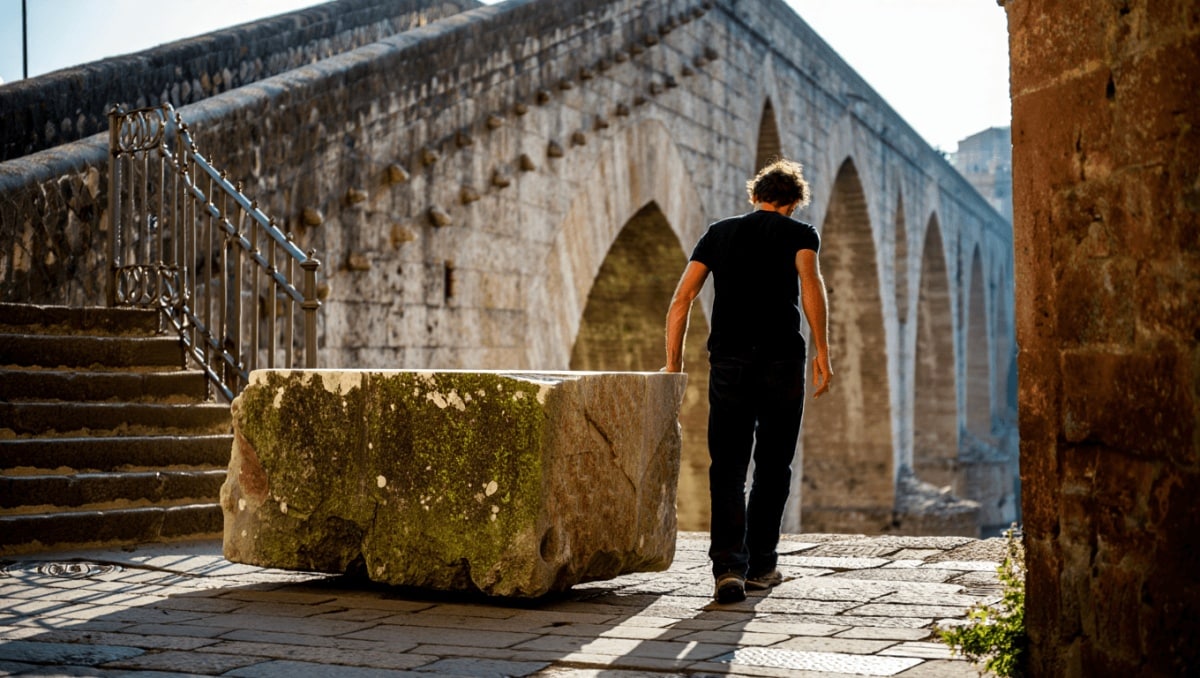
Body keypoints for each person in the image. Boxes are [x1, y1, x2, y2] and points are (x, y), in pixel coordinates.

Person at [664, 158, 833, 604]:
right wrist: (823, 352)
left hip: (729, 364)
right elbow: (811, 287)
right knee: (774, 466)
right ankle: (762, 565)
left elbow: (682, 300)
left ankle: (727, 570)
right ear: (793, 203)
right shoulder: (801, 235)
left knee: (728, 468)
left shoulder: (718, 234)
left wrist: (673, 364)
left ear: (754, 195)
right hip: (781, 362)